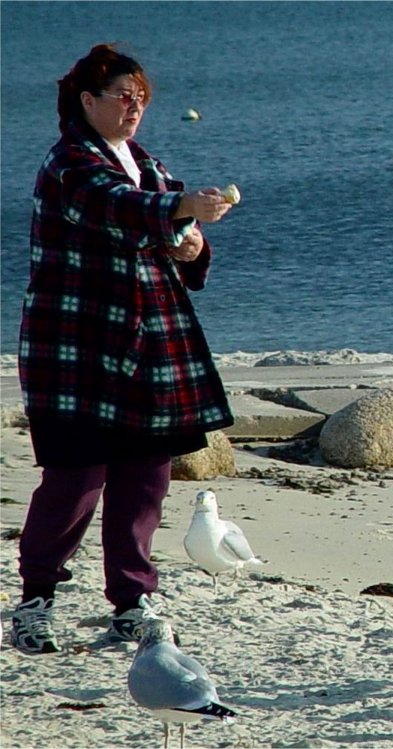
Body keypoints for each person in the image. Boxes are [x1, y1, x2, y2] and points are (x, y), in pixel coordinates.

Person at [10, 43, 235, 654]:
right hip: (76, 349)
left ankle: (132, 603)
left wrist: (192, 247)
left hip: (148, 345)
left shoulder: (148, 164)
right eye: (123, 97)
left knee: (145, 481)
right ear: (88, 102)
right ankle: (35, 601)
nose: (135, 108)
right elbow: (117, 208)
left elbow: (166, 227)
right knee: (75, 480)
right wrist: (181, 211)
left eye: (141, 98)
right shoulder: (70, 164)